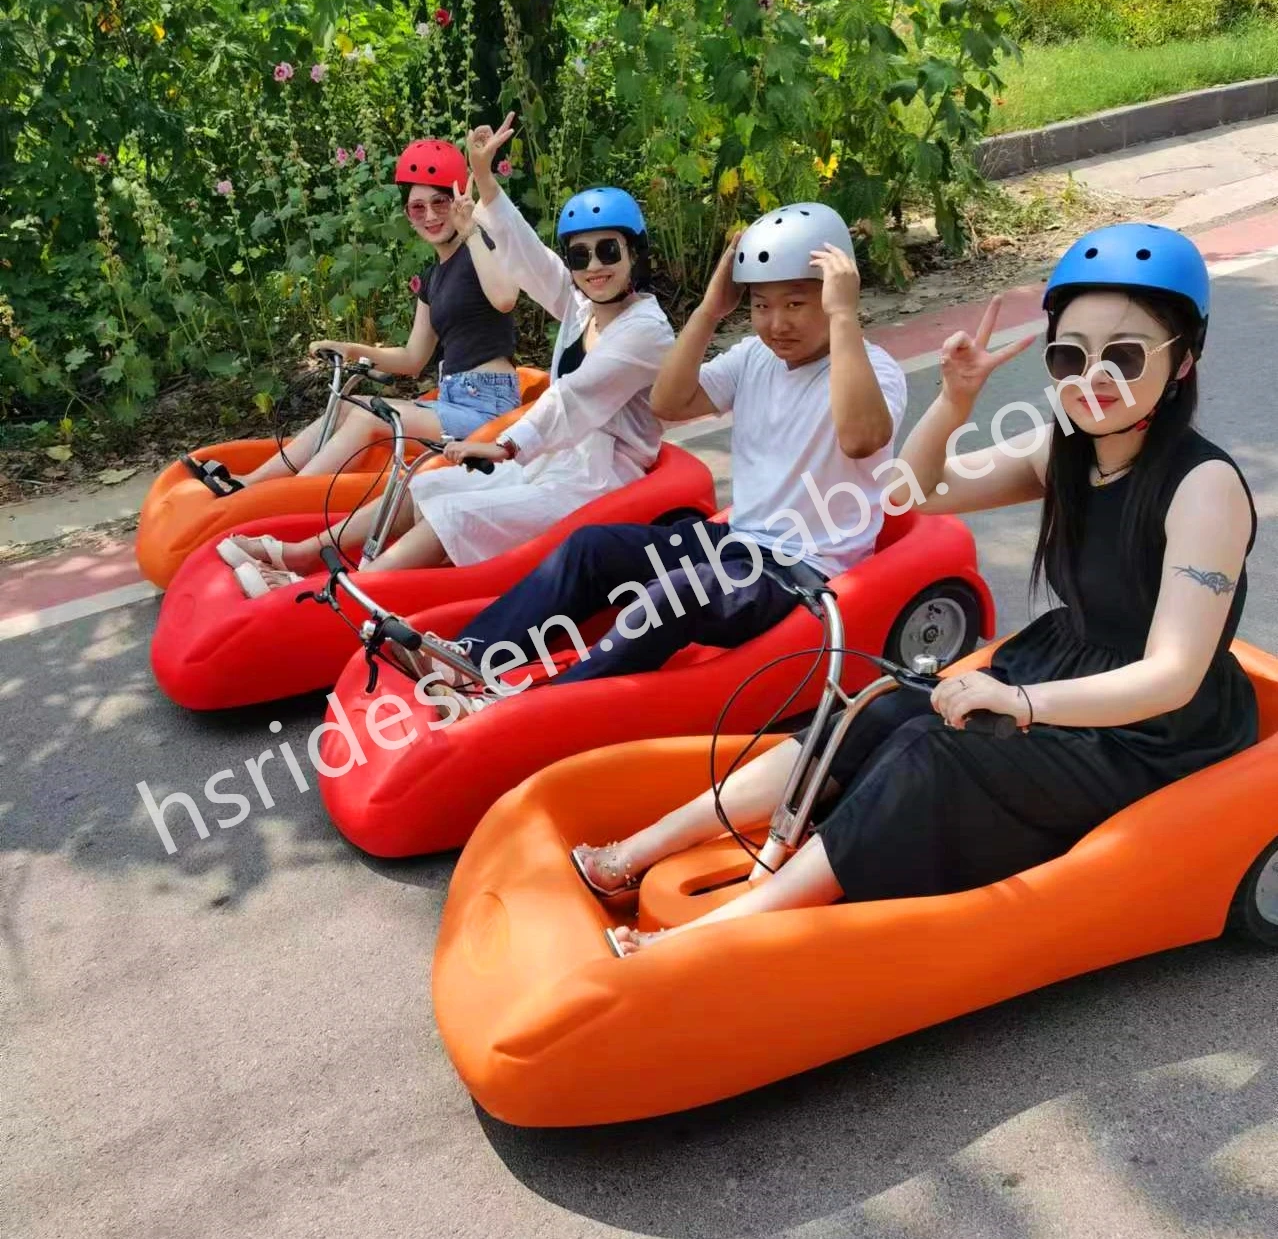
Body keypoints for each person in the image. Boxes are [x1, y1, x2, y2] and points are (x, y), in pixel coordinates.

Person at [573, 221, 1259, 956]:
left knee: (932, 750)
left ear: (1184, 359)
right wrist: (954, 402)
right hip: (1064, 669)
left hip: (1149, 732)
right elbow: (910, 494)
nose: (1093, 378)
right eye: (1070, 355)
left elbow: (1172, 675)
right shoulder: (1065, 446)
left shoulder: (1204, 487)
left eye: (1124, 356)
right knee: (879, 706)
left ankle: (717, 935)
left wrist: (1023, 704)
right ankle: (636, 852)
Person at [424, 199, 909, 716]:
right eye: (761, 306)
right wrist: (709, 311)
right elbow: (669, 402)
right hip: (737, 543)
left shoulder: (875, 370)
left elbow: (860, 438)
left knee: (673, 593)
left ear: (833, 296)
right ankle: (470, 657)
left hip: (801, 570)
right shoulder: (755, 357)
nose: (776, 324)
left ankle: (531, 709)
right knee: (593, 547)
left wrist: (843, 317)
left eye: (795, 304)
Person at [223, 114, 675, 596]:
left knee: (456, 510)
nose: (594, 266)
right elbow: (529, 257)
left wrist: (506, 445)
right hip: (556, 460)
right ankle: (299, 553)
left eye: (608, 251)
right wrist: (483, 176)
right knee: (428, 486)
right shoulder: (582, 308)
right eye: (580, 256)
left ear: (635, 254)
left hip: (598, 477)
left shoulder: (644, 331)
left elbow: (575, 398)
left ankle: (337, 593)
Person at [217, 137, 521, 506]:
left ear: (458, 201)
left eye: (439, 203)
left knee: (368, 419)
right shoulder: (432, 278)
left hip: (488, 406)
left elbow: (505, 298)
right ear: (408, 215)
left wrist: (470, 229)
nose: (430, 216)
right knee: (347, 405)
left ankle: (279, 500)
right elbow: (412, 358)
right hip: (452, 399)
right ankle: (249, 484)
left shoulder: (479, 247)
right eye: (417, 208)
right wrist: (349, 349)